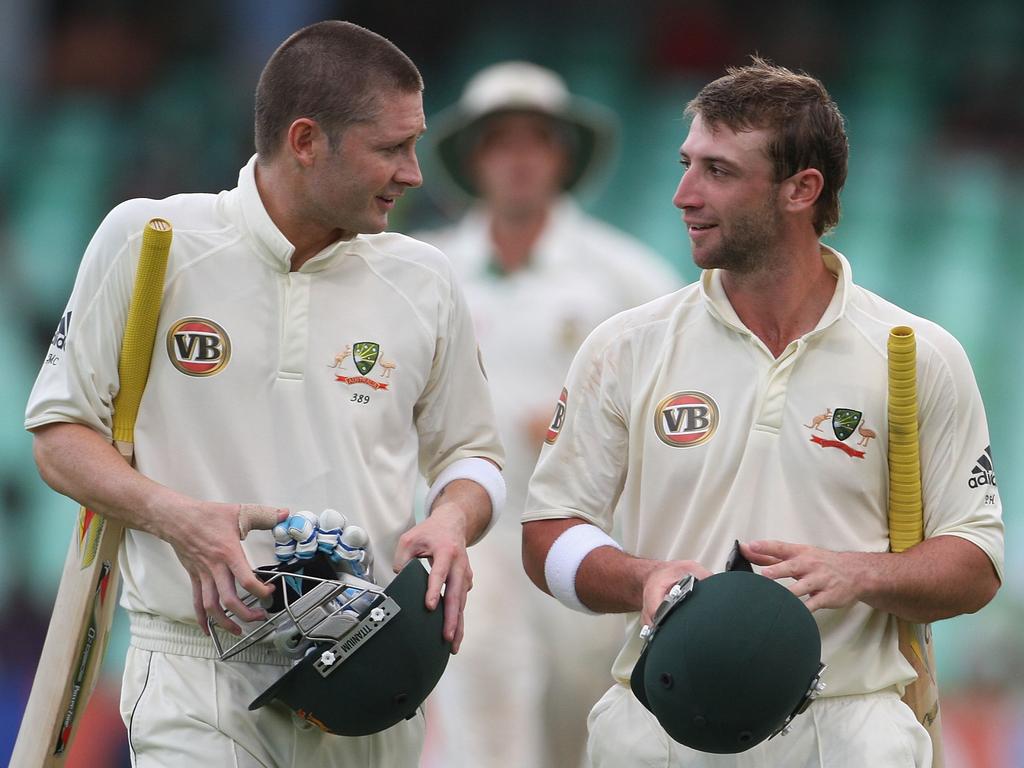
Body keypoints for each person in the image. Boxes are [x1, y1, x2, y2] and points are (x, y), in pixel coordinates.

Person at [24, 20, 504, 768]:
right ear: (306, 141)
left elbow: (474, 457)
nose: (415, 173)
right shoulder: (151, 238)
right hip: (194, 667)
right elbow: (58, 435)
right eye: (391, 148)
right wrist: (177, 518)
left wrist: (449, 521)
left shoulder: (425, 278)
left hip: (367, 673)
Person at [521, 57, 1004, 767]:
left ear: (801, 189)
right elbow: (546, 536)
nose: (683, 194)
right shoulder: (625, 345)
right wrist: (643, 578)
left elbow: (977, 564)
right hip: (657, 727)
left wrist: (858, 573)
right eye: (687, 164)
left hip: (847, 729)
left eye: (718, 171)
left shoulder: (917, 352)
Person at [415, 61, 680, 768]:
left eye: (538, 139)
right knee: (483, 700)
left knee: (582, 722)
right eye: (501, 140)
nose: (521, 158)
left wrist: (587, 427)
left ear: (563, 155)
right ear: (475, 159)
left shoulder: (628, 278)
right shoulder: (423, 273)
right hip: (469, 538)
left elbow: (681, 408)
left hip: (586, 541)